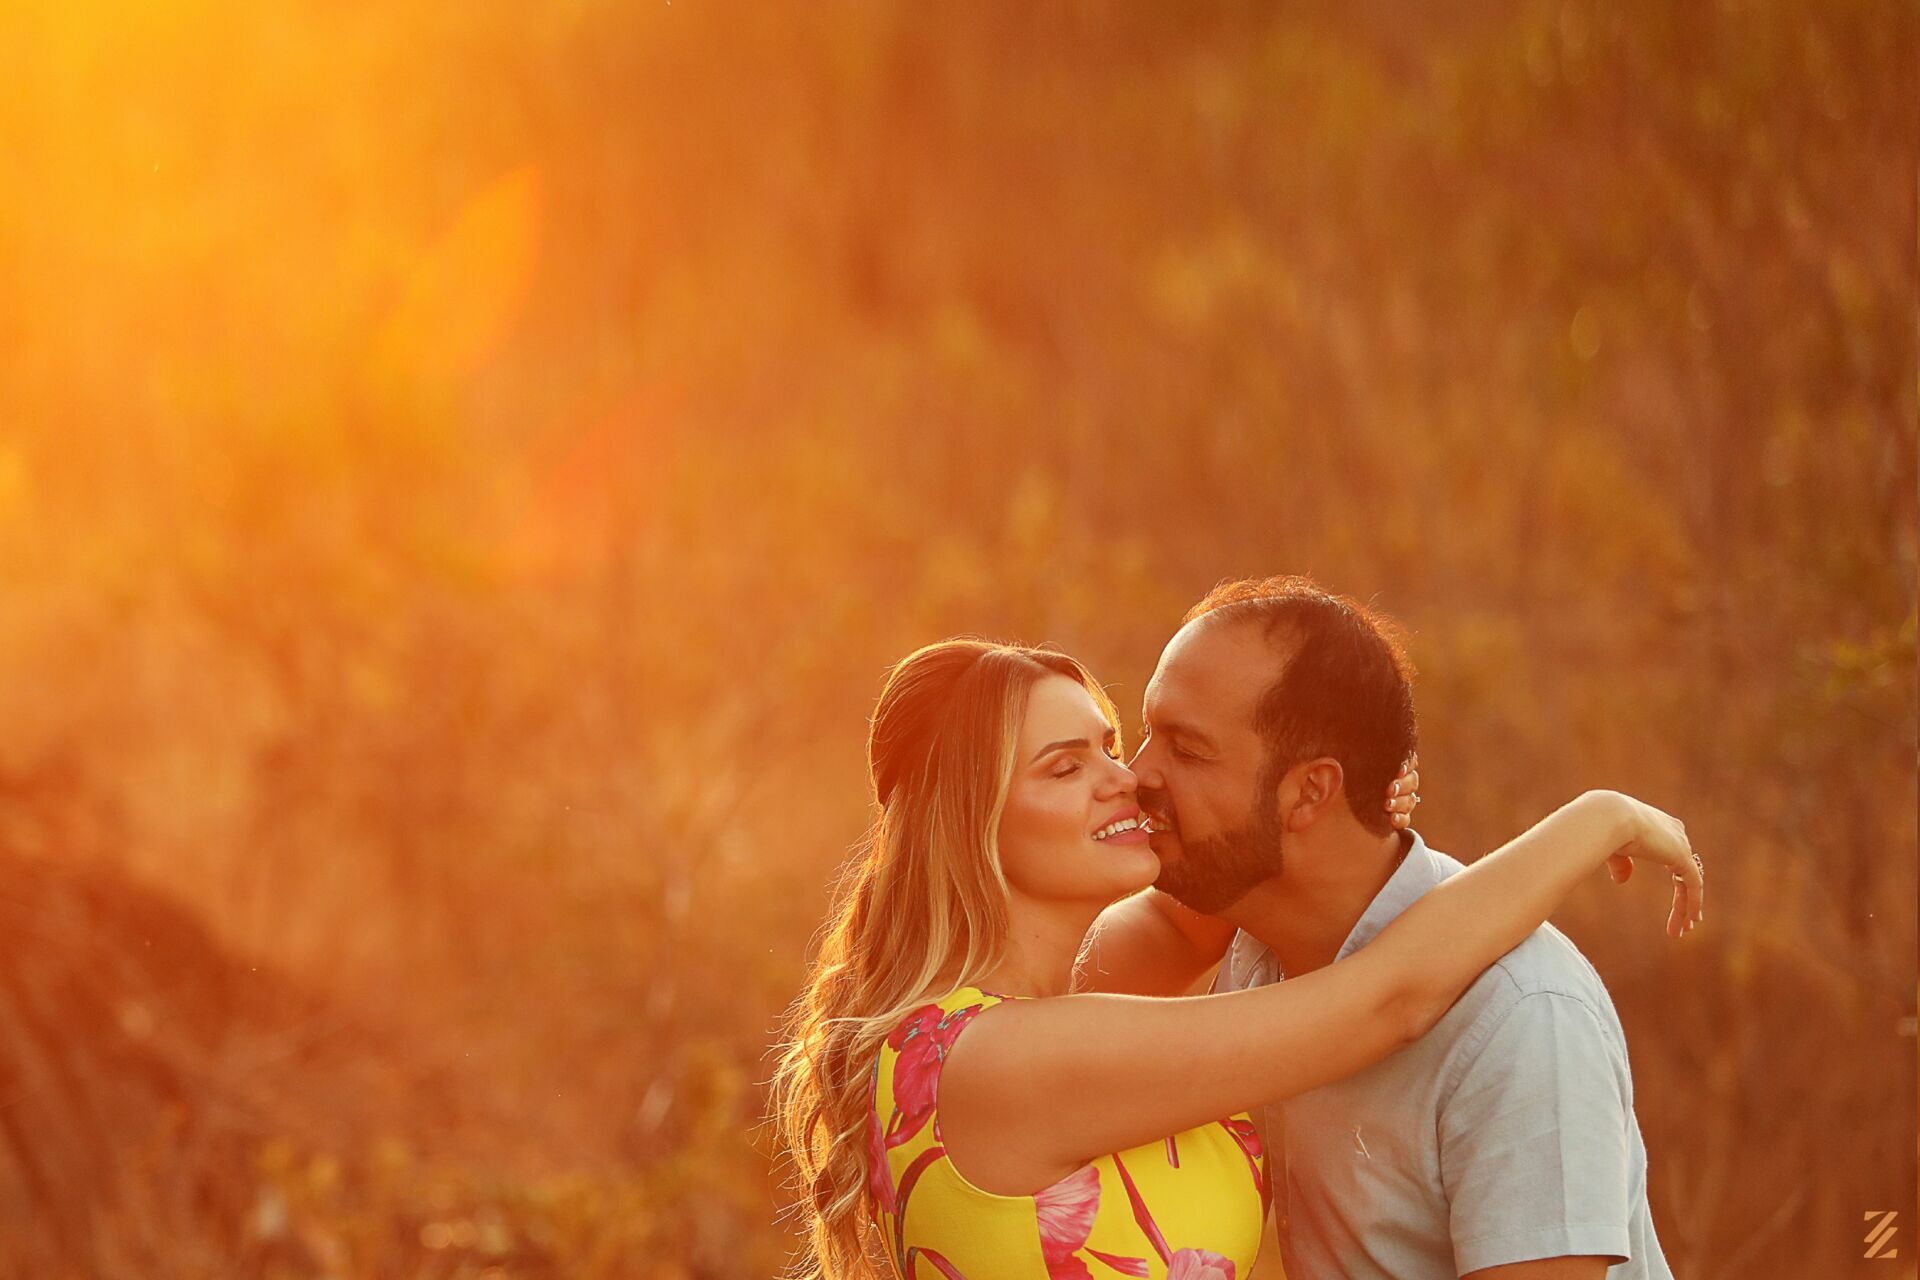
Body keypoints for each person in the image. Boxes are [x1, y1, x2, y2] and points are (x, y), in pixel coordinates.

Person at [770, 631, 1701, 1280]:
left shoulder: (999, 1019)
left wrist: (1331, 789)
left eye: (1109, 744)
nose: (1125, 776)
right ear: (968, 828)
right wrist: (1600, 818)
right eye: (1065, 767)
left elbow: (1198, 910)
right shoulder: (1009, 1063)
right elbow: (1388, 1000)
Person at [1086, 576, 1683, 1278]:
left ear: (1310, 791)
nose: (1134, 775)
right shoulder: (1247, 924)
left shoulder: (1520, 1019)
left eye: (1184, 748)